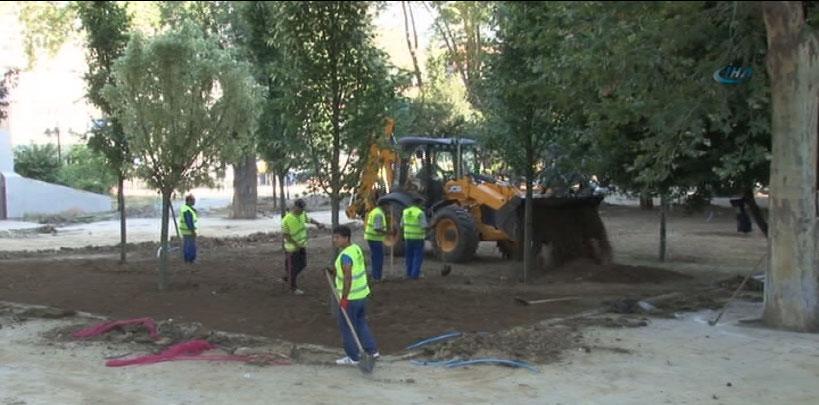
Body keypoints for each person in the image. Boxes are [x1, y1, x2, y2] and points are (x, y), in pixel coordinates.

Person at [330, 225, 379, 365]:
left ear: (346, 238)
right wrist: (333, 271)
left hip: (351, 298)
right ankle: (372, 350)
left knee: (346, 326)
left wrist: (344, 299)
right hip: (362, 295)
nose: (335, 240)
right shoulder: (355, 249)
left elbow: (347, 277)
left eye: (337, 237)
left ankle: (353, 357)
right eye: (334, 237)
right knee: (361, 323)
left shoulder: (345, 256)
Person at [281, 198, 326, 295]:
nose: (302, 210)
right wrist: (295, 244)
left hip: (301, 245)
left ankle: (288, 276)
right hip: (292, 248)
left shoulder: (302, 214)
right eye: (301, 208)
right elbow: (285, 235)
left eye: (303, 208)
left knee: (303, 264)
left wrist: (318, 224)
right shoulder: (286, 219)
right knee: (294, 267)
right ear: (295, 207)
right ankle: (293, 287)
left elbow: (309, 219)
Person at [401, 196, 428, 280]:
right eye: (422, 204)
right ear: (419, 203)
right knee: (417, 256)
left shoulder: (405, 212)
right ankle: (415, 274)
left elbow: (401, 225)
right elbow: (424, 226)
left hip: (408, 237)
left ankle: (409, 273)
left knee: (409, 256)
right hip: (418, 237)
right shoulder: (420, 213)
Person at [364, 199, 390, 281]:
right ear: (384, 205)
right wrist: (387, 232)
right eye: (388, 206)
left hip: (372, 237)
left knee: (375, 257)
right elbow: (377, 228)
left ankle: (375, 275)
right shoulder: (378, 214)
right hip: (375, 238)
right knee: (378, 258)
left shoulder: (375, 211)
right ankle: (377, 277)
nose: (388, 208)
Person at [178, 194, 198, 265]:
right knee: (191, 246)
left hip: (185, 231)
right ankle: (191, 260)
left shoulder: (185, 208)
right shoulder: (187, 210)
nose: (194, 202)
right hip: (188, 231)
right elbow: (189, 221)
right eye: (193, 200)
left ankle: (187, 259)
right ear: (189, 201)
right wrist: (192, 231)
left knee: (186, 245)